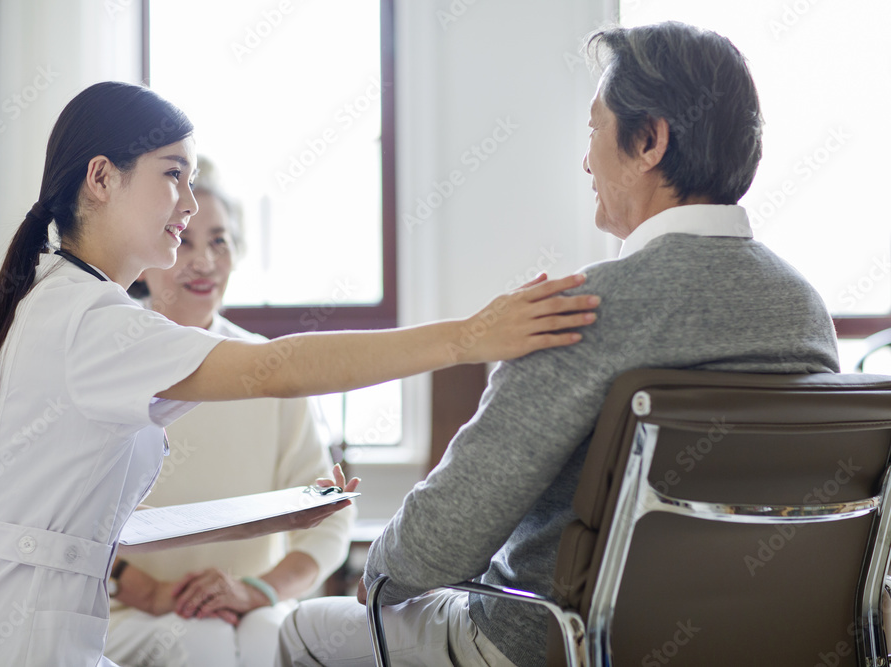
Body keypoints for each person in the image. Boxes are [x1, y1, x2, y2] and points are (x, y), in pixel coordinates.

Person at [0, 82, 598, 667]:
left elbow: (75, 525)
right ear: (101, 178)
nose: (187, 202)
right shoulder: (93, 320)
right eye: (172, 173)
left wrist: (269, 518)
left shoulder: (75, 302)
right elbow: (277, 365)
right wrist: (469, 336)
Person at [276, 21, 841, 667]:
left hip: (558, 642)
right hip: (760, 640)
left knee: (299, 630)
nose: (585, 159)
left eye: (595, 130)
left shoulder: (577, 312)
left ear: (650, 139)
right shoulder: (804, 309)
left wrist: (379, 571)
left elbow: (436, 549)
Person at [102, 157, 356, 667]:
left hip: (252, 607)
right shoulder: (108, 357)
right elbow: (59, 514)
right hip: (130, 614)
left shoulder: (270, 368)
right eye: (185, 240)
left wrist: (259, 590)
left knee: (266, 635)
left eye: (219, 241)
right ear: (148, 252)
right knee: (204, 642)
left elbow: (330, 521)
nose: (204, 261)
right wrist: (151, 592)